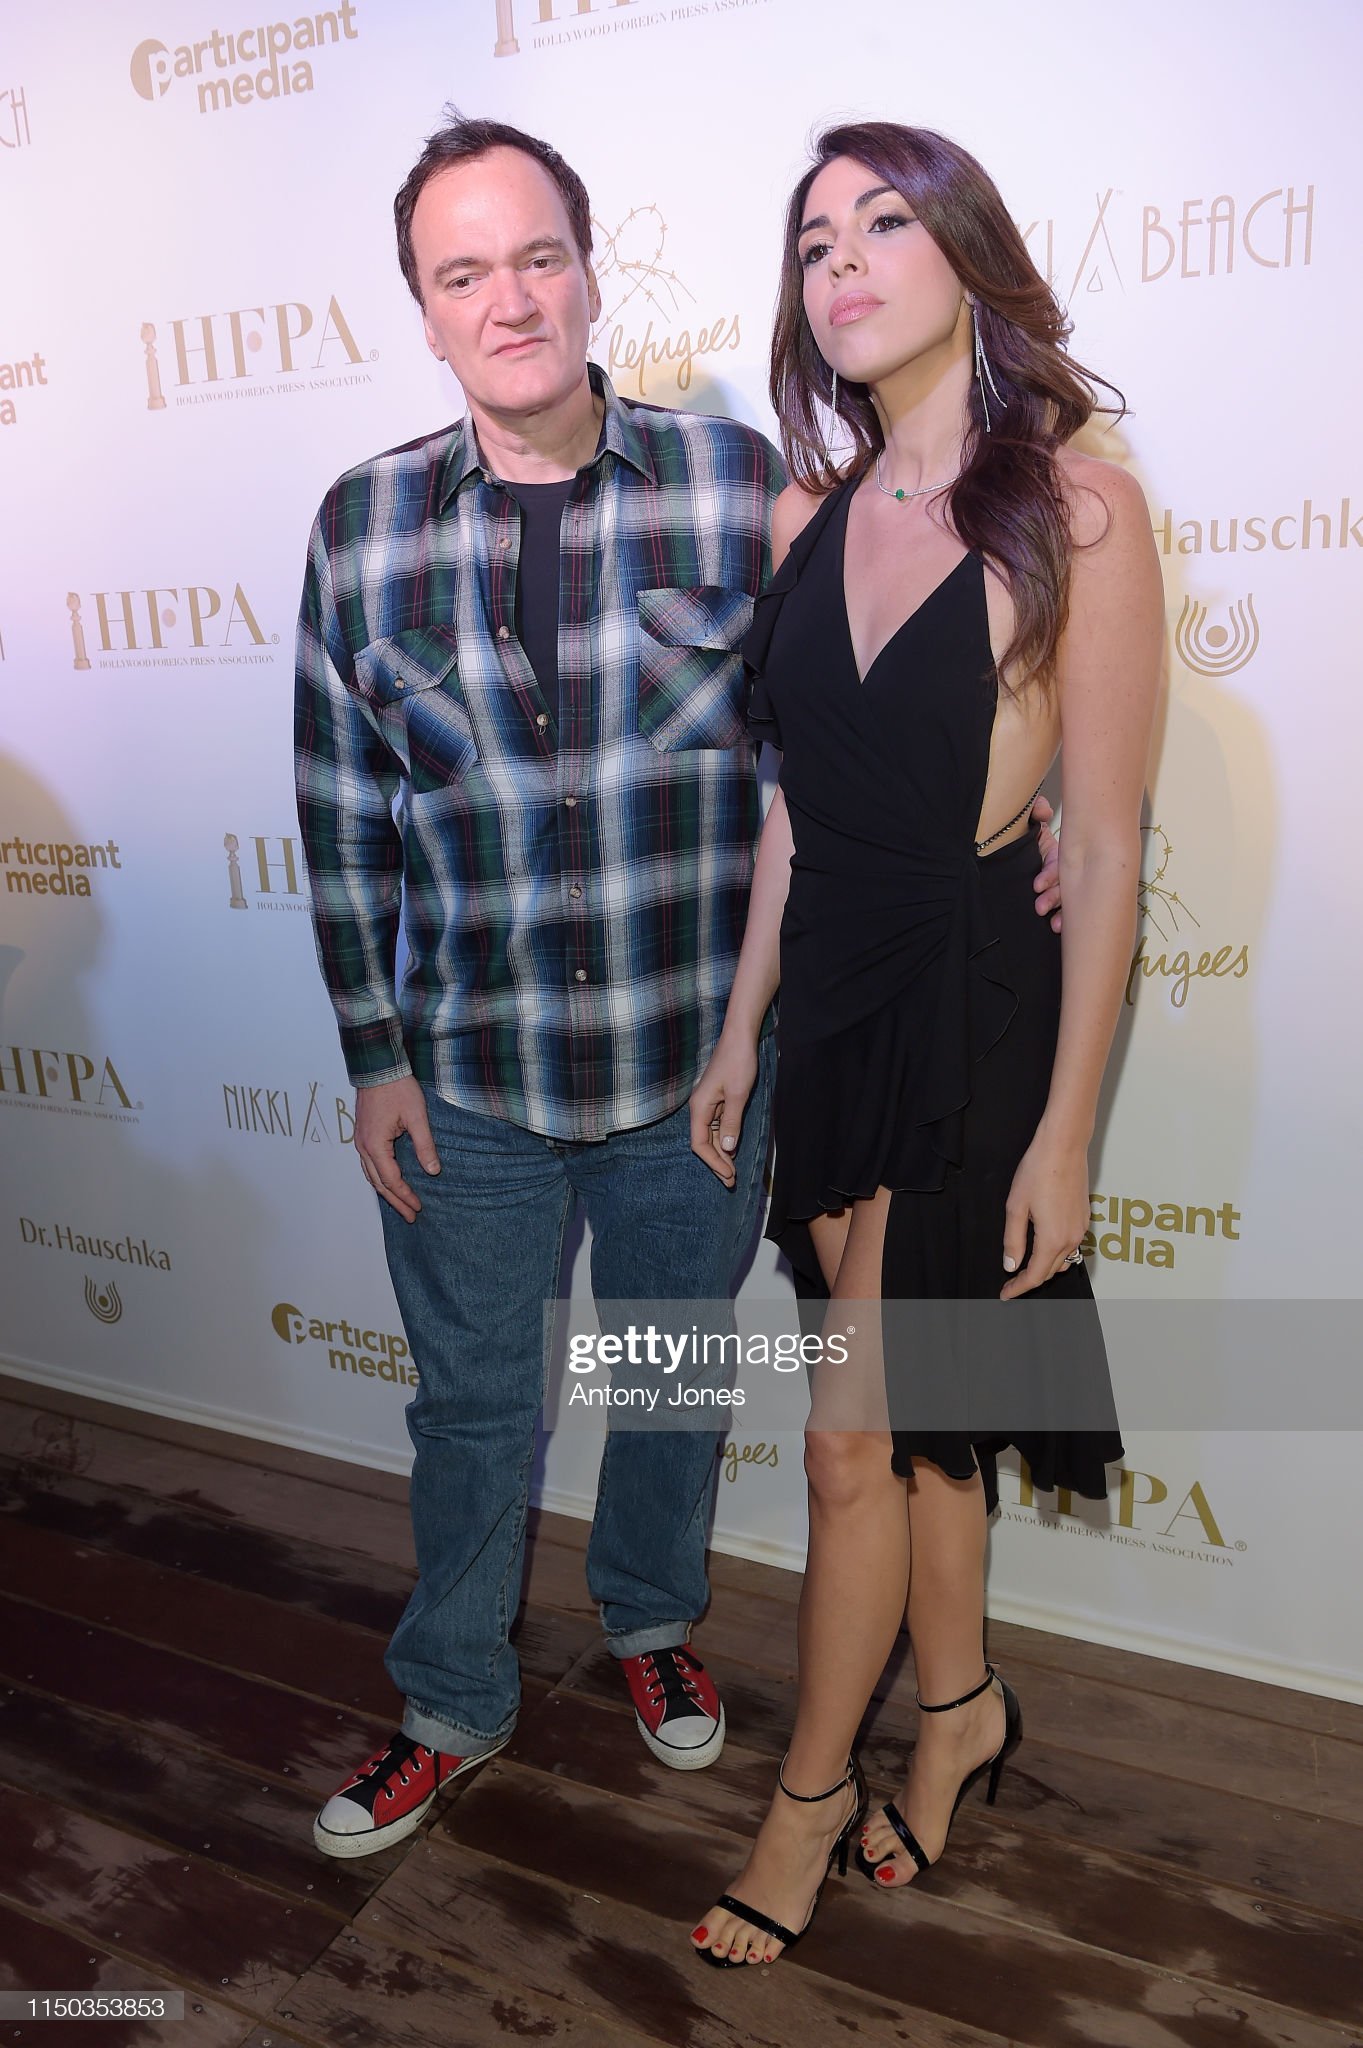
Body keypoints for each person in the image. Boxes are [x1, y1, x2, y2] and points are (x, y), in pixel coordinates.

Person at [295, 112, 1063, 1862]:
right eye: (463, 272)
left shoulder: (740, 486)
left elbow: (889, 678)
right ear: (423, 308)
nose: (509, 299)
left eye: (538, 256)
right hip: (470, 1082)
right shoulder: (361, 527)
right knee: (473, 1413)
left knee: (668, 1382)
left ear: (590, 271)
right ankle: (450, 1701)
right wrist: (371, 1056)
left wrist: (1059, 810)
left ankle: (649, 1622)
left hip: (691, 1072)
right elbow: (339, 821)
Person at [686, 123, 1162, 1967]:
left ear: (967, 255)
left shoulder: (1078, 509)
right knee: (926, 1428)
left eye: (884, 222)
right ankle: (959, 1711)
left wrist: (1069, 1138)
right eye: (815, 240)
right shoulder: (805, 516)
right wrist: (743, 1028)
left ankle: (805, 1801)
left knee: (849, 1444)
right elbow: (793, 809)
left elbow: (1101, 845)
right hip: (834, 999)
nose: (844, 263)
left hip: (974, 1004)